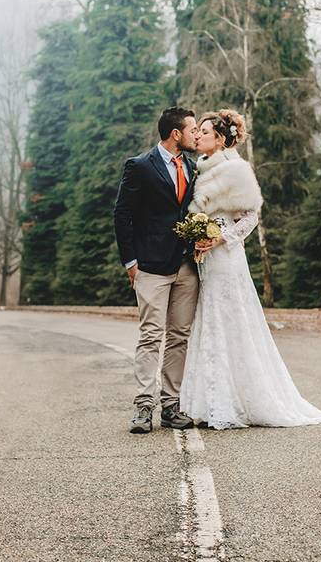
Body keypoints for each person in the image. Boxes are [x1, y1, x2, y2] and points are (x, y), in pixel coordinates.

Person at [179, 109, 321, 430]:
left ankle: (239, 400)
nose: (197, 135)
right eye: (196, 130)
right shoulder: (201, 168)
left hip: (226, 257)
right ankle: (210, 400)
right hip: (206, 258)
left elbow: (250, 216)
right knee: (211, 321)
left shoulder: (235, 168)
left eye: (204, 131)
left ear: (221, 138)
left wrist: (219, 238)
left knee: (231, 320)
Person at [113, 106, 200, 434]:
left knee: (179, 336)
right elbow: (122, 214)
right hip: (150, 267)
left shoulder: (192, 167)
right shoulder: (139, 166)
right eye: (192, 129)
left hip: (187, 268)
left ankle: (171, 406)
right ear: (176, 134)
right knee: (151, 335)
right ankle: (143, 407)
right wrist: (130, 262)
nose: (196, 134)